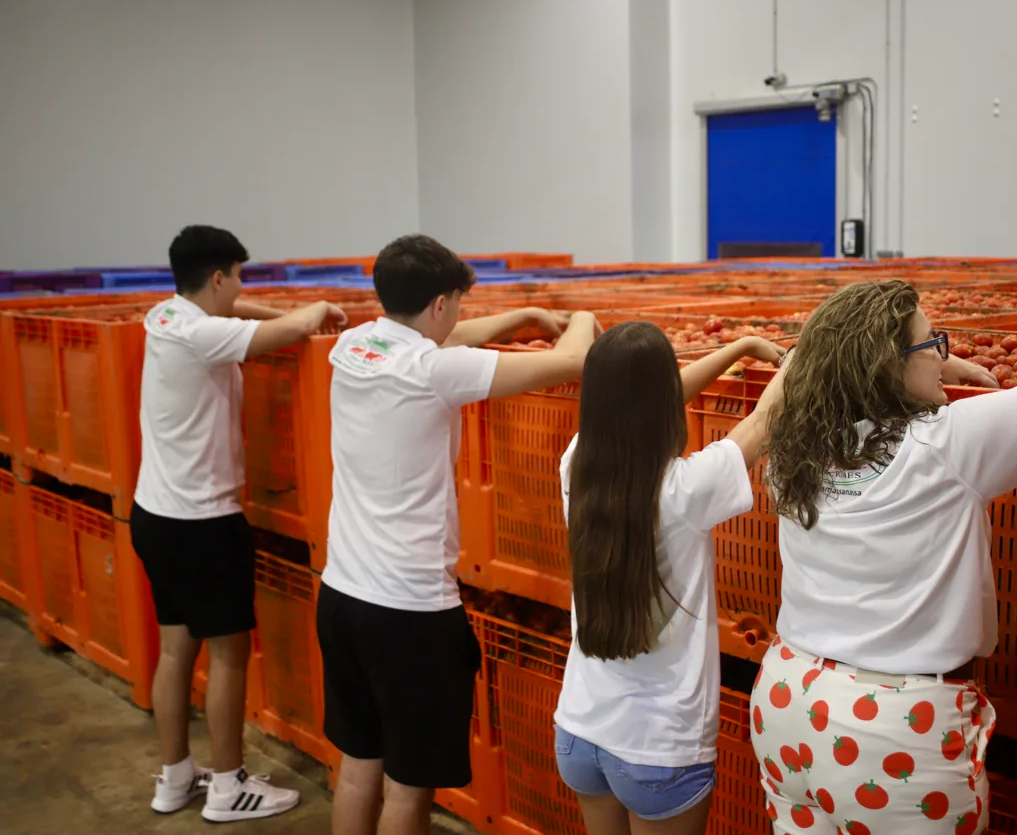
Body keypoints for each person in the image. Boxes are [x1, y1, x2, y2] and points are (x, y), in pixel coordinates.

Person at [751, 280, 1017, 834]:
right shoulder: (945, 443)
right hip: (894, 728)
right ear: (889, 365)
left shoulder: (794, 445)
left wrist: (930, 367)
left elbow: (806, 360)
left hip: (788, 699)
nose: (942, 354)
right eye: (932, 343)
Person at [316, 233, 601, 835]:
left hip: (341, 596)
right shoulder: (433, 372)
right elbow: (575, 361)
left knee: (358, 767)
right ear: (442, 303)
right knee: (408, 790)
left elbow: (448, 343)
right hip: (409, 613)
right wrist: (583, 318)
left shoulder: (351, 347)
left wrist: (521, 316)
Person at [131, 225, 346, 821]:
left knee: (176, 651)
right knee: (228, 654)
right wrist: (310, 315)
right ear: (219, 277)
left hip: (155, 514)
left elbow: (244, 315)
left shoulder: (166, 317)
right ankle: (228, 787)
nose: (242, 287)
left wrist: (294, 310)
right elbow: (283, 331)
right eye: (238, 277)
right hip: (204, 524)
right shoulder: (203, 335)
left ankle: (176, 777)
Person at [554, 321, 789, 835]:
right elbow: (765, 417)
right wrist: (801, 355)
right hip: (659, 748)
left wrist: (741, 347)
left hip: (579, 729)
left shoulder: (576, 464)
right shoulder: (686, 491)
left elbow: (635, 401)